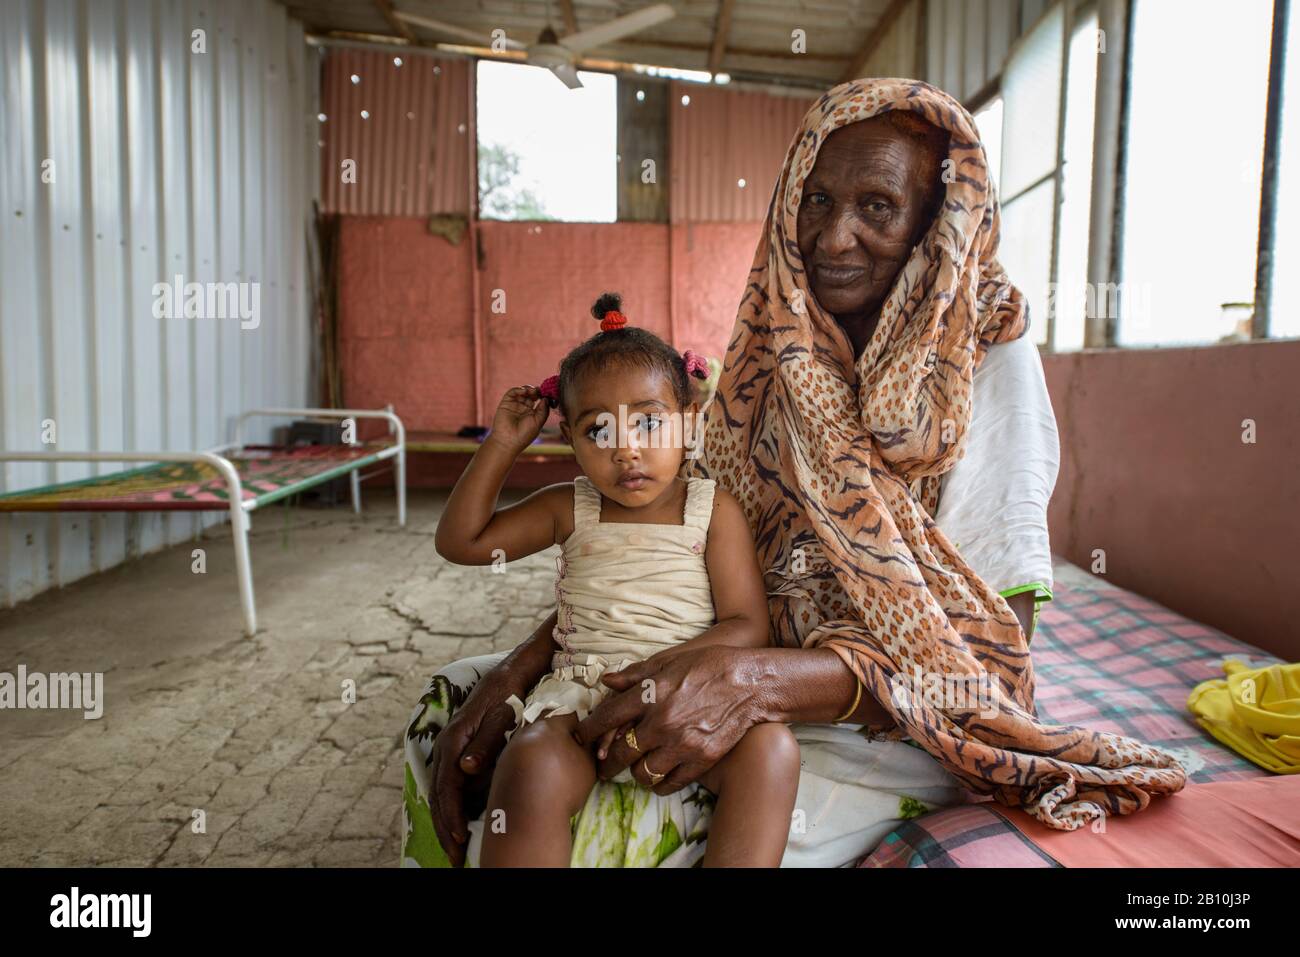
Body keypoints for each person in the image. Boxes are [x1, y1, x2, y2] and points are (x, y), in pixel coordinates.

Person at [401, 78, 1187, 869]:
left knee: (615, 838)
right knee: (449, 712)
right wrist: (525, 664)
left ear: (933, 222)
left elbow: (989, 656)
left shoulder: (984, 365)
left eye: (877, 207)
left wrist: (757, 680)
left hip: (879, 722)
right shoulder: (772, 352)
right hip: (714, 655)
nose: (834, 237)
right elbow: (656, 545)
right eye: (815, 200)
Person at [431, 294, 799, 866]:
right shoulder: (569, 507)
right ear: (570, 441)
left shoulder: (711, 510)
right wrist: (503, 444)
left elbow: (747, 625)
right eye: (598, 430)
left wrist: (659, 673)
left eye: (649, 423)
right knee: (530, 765)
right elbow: (463, 543)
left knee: (772, 751)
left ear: (688, 419)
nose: (626, 448)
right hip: (582, 693)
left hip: (689, 691)